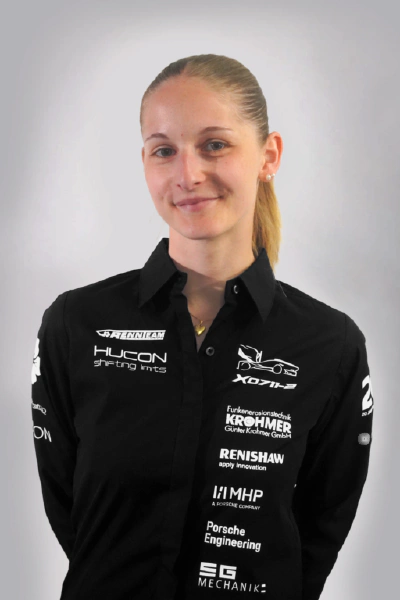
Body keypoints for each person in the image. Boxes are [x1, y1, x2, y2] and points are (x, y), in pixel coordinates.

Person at [31, 54, 374, 600]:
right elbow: (74, 514)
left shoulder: (331, 345)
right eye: (164, 150)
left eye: (214, 144)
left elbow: (321, 525)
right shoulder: (76, 324)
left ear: (268, 156)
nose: (187, 175)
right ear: (145, 162)